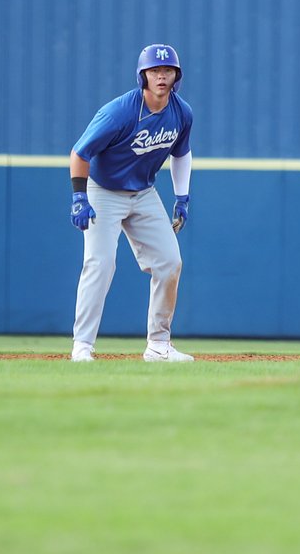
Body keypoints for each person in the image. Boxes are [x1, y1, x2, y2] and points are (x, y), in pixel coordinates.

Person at [69, 44, 195, 361]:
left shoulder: (181, 112)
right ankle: (82, 346)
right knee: (100, 263)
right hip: (103, 190)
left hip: (143, 192)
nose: (161, 76)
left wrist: (182, 197)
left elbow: (181, 154)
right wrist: (79, 196)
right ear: (143, 76)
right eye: (154, 71)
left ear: (176, 76)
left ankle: (159, 345)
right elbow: (80, 153)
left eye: (168, 71)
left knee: (170, 261)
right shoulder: (120, 112)